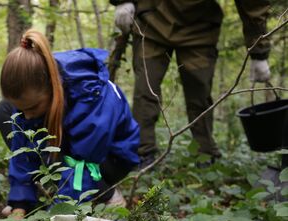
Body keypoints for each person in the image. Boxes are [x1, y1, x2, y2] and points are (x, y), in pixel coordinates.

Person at [0, 29, 140, 218]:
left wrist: (53, 220)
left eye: (32, 107)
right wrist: (19, 204)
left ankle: (108, 193)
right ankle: (36, 194)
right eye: (22, 109)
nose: (28, 116)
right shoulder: (32, 90)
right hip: (67, 145)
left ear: (52, 87)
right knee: (4, 110)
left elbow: (81, 166)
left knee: (76, 171)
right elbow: (22, 151)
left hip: (109, 159)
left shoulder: (91, 96)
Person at [112, 0, 272, 167]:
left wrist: (259, 52)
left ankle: (205, 154)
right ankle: (143, 154)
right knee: (145, 90)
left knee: (199, 95)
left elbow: (253, 5)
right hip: (151, 21)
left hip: (200, 27)